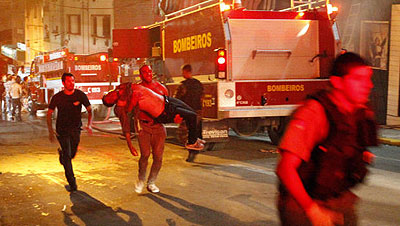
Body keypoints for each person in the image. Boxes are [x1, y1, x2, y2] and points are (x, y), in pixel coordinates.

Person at [276, 52, 378, 226]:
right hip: (303, 203)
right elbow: (285, 169)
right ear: (338, 82)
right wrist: (312, 211)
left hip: (338, 198)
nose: (368, 85)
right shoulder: (314, 113)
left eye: (368, 79)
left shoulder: (359, 112)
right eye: (358, 79)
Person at [47, 73, 93, 192]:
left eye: (73, 81)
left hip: (76, 129)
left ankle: (62, 155)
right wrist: (51, 131)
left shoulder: (80, 95)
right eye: (68, 81)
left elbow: (89, 110)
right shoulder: (57, 97)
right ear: (63, 83)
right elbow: (49, 113)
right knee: (68, 156)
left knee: (72, 153)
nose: (71, 83)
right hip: (62, 130)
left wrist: (89, 125)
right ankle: (72, 182)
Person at [175, 64, 204, 162]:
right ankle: (194, 150)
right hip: (197, 112)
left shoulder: (183, 85)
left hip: (187, 112)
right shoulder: (198, 84)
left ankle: (191, 151)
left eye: (183, 72)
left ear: (186, 72)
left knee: (183, 133)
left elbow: (178, 99)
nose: (183, 74)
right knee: (194, 132)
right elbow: (201, 97)